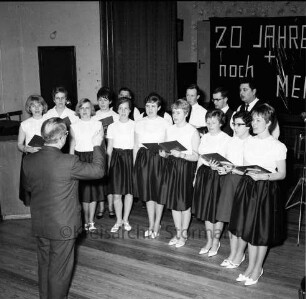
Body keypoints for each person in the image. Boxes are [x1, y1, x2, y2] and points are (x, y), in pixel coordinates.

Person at [22, 117, 105, 299]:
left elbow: (29, 188)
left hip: (40, 223)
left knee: (44, 265)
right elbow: (98, 171)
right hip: (63, 226)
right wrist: (97, 145)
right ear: (62, 138)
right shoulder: (69, 161)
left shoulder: (28, 161)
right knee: (59, 271)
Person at [228, 104, 287, 285]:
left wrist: (263, 176)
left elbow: (281, 174)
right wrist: (229, 168)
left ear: (268, 123)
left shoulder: (277, 146)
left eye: (258, 120)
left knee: (260, 232)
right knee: (247, 229)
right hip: (247, 188)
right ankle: (250, 267)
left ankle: (256, 269)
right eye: (253, 119)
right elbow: (245, 168)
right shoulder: (249, 141)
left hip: (265, 190)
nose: (254, 123)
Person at [159, 99, 200, 248]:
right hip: (171, 167)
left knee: (184, 203)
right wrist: (164, 153)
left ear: (186, 113)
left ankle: (184, 234)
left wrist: (181, 155)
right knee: (174, 203)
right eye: (173, 112)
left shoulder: (192, 131)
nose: (175, 115)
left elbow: (196, 156)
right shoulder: (169, 129)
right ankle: (178, 233)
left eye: (178, 112)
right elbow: (165, 149)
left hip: (185, 167)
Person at [215, 111, 252, 268]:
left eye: (239, 125)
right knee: (230, 218)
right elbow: (226, 162)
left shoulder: (252, 142)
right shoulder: (231, 141)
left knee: (241, 220)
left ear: (248, 125)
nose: (235, 128)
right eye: (234, 124)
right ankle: (233, 252)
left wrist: (231, 169)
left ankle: (239, 254)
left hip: (244, 183)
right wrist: (221, 168)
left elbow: (251, 169)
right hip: (229, 181)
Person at [192, 109, 230, 256]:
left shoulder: (226, 139)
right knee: (206, 210)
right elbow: (201, 158)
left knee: (216, 212)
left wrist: (220, 166)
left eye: (214, 122)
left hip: (219, 176)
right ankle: (208, 241)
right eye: (208, 122)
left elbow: (229, 162)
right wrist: (196, 176)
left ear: (221, 122)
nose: (210, 125)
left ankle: (215, 242)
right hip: (204, 174)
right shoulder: (205, 137)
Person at [134, 93, 171, 238]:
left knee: (159, 191)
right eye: (148, 106)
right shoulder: (139, 122)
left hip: (159, 159)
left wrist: (166, 156)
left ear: (159, 107)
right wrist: (134, 164)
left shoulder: (166, 123)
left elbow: (168, 146)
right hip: (143, 159)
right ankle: (150, 223)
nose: (150, 109)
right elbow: (136, 145)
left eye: (153, 106)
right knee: (148, 192)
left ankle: (157, 223)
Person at [70, 98, 104, 232]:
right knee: (84, 192)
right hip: (80, 158)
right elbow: (72, 146)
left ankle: (91, 220)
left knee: (93, 191)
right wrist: (71, 162)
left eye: (87, 108)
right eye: (82, 108)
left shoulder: (98, 124)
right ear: (78, 110)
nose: (84, 111)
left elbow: (100, 146)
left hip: (94, 157)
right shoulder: (74, 125)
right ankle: (85, 219)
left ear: (92, 110)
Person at [107, 97, 135, 232]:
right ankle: (118, 220)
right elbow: (109, 147)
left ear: (130, 110)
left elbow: (136, 146)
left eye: (126, 108)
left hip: (130, 159)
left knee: (129, 192)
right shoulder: (112, 126)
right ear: (117, 110)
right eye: (120, 108)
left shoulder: (135, 125)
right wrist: (107, 164)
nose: (123, 111)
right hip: (117, 160)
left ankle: (126, 219)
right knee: (117, 193)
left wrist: (135, 163)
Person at [92, 86, 119, 219]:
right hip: (99, 148)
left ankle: (112, 206)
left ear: (110, 102)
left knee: (111, 178)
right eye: (100, 100)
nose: (102, 103)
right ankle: (101, 206)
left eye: (105, 100)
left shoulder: (116, 116)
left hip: (112, 148)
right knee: (100, 178)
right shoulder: (94, 115)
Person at [17, 95, 48, 206]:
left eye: (39, 105)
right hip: (31, 159)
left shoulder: (49, 121)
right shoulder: (24, 124)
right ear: (29, 108)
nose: (36, 108)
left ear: (43, 106)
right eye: (33, 105)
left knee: (47, 190)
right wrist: (27, 148)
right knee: (33, 192)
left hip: (46, 158)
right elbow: (19, 145)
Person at [44, 86, 80, 153]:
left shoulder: (73, 115)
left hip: (69, 149)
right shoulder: (47, 115)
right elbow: (43, 134)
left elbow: (78, 135)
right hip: (52, 150)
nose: (60, 101)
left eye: (62, 98)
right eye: (57, 98)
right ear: (54, 100)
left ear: (66, 99)